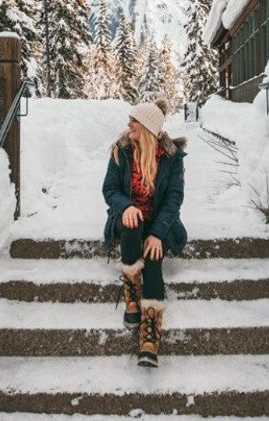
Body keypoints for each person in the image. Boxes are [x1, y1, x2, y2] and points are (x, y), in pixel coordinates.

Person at [102, 99, 187, 367]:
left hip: (159, 221)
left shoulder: (172, 158)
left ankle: (150, 334)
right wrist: (125, 206)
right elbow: (109, 189)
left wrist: (159, 233)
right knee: (132, 221)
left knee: (153, 256)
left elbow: (174, 198)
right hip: (128, 221)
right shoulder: (122, 150)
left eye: (134, 121)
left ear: (149, 128)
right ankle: (130, 289)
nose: (129, 125)